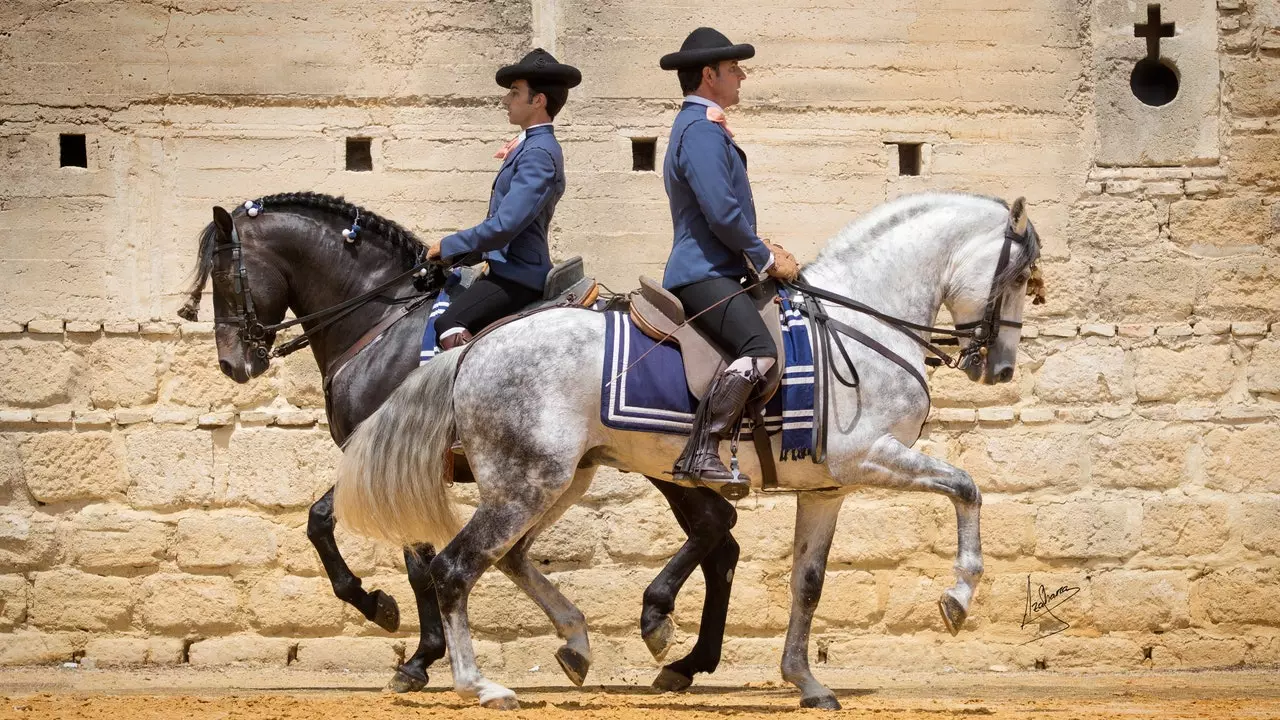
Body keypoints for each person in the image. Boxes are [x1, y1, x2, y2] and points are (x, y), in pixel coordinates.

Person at [659, 27, 799, 499]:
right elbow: (721, 212)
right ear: (708, 75)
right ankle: (702, 449)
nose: (741, 76)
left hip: (718, 267)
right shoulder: (699, 130)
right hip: (702, 272)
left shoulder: (704, 127)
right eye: (733, 69)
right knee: (761, 351)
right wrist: (763, 257)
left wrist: (760, 246)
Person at [427, 49, 582, 349]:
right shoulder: (529, 146)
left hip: (518, 275)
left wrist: (450, 245)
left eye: (514, 93)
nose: (505, 101)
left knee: (448, 323)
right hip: (503, 267)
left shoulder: (538, 153)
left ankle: (466, 395)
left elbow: (505, 225)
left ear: (538, 101)